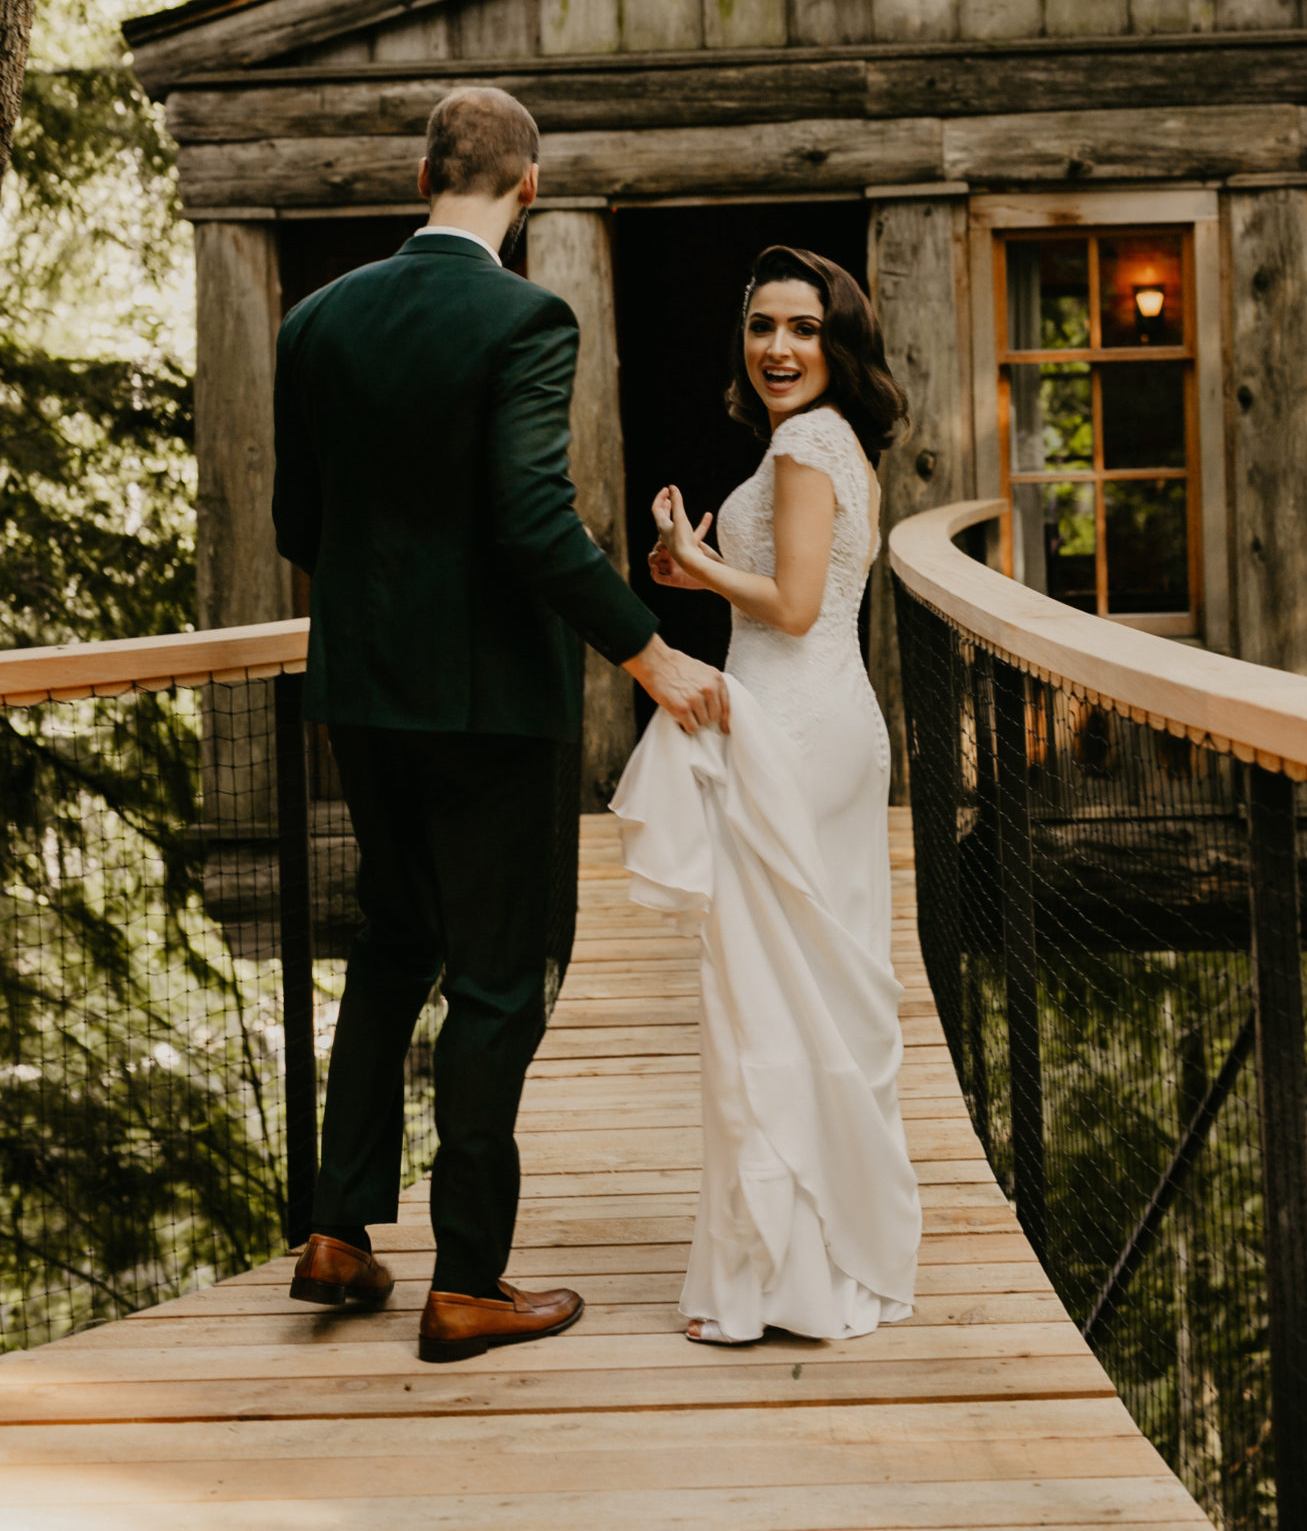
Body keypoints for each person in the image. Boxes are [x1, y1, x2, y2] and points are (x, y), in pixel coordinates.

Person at [272, 86, 728, 1364]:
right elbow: (533, 519)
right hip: (489, 711)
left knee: (390, 940)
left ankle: (340, 1231)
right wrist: (650, 653)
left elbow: (295, 528)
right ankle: (468, 1278)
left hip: (360, 693)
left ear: (422, 177)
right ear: (531, 190)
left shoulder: (316, 320)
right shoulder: (527, 316)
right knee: (493, 976)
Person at [613, 245, 923, 1344]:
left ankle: (776, 1277)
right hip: (832, 721)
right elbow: (794, 593)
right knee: (812, 988)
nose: (779, 347)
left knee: (762, 990)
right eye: (761, 328)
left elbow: (789, 606)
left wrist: (692, 567)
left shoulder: (804, 440)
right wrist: (691, 557)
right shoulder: (831, 443)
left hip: (791, 725)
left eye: (801, 327)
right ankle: (818, 1257)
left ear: (837, 342)